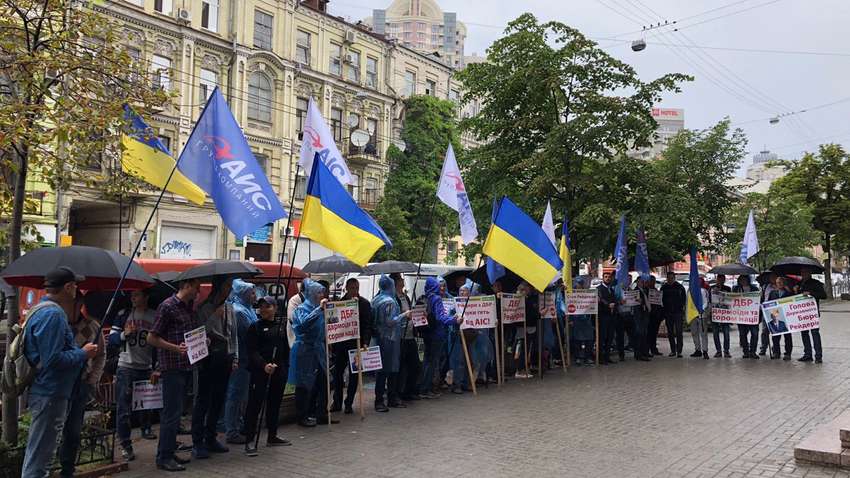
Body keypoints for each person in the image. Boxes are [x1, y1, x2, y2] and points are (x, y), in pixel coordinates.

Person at [21, 267, 97, 478]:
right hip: (51, 393)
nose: (76, 289)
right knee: (41, 458)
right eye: (75, 285)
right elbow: (52, 360)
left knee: (38, 453)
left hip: (48, 391)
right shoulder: (53, 314)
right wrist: (83, 353)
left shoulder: (40, 309)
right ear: (68, 287)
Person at [147, 277, 203, 472]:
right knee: (171, 413)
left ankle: (169, 451)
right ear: (186, 286)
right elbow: (152, 337)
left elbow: (190, 334)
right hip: (172, 367)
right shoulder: (168, 306)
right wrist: (174, 348)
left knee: (177, 413)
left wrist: (202, 342)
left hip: (187, 366)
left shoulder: (189, 308)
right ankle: (164, 457)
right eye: (196, 288)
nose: (198, 293)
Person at [59, 292, 106, 478]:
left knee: (73, 432)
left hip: (80, 385)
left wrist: (92, 380)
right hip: (58, 385)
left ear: (79, 304)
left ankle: (67, 469)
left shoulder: (93, 327)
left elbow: (101, 355)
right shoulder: (57, 325)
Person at [192, 277, 238, 458]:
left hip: (225, 358)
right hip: (208, 358)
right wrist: (214, 317)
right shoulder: (204, 308)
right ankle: (198, 441)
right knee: (203, 400)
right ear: (218, 287)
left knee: (219, 399)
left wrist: (235, 356)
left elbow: (233, 335)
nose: (229, 290)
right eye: (227, 286)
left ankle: (211, 437)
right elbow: (199, 332)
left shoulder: (230, 308)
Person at [110, 288, 158, 462]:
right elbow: (112, 340)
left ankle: (146, 428)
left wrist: (156, 366)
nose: (133, 298)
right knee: (124, 408)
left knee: (147, 404)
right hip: (126, 366)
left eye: (137, 295)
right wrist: (124, 334)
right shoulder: (123, 315)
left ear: (146, 296)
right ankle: (125, 443)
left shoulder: (154, 316)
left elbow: (158, 343)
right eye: (132, 296)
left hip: (146, 366)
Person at [243, 296, 291, 456]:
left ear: (275, 308)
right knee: (254, 406)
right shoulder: (254, 327)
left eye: (267, 306)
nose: (263, 309)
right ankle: (249, 439)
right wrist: (264, 365)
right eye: (261, 307)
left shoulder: (281, 327)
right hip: (260, 372)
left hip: (278, 371)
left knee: (274, 404)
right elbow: (252, 351)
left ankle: (272, 435)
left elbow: (285, 350)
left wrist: (282, 366)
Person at [289, 279, 336, 427]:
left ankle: (321, 413)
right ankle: (302, 416)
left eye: (322, 292)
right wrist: (319, 311)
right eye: (319, 292)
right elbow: (301, 326)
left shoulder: (322, 308)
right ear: (311, 293)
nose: (322, 294)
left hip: (319, 349)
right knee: (303, 385)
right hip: (305, 350)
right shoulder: (301, 309)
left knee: (325, 382)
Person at [223, 279, 258, 444]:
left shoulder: (247, 309)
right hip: (240, 358)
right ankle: (231, 430)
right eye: (251, 292)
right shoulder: (239, 312)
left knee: (241, 395)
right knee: (235, 395)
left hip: (246, 359)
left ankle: (237, 424)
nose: (254, 295)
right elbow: (251, 332)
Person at [331, 278, 372, 414]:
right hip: (341, 344)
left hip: (356, 345)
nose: (355, 291)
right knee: (337, 373)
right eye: (352, 288)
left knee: (354, 375)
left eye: (357, 288)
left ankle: (349, 402)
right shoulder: (339, 303)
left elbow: (367, 325)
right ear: (347, 289)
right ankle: (337, 401)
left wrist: (365, 342)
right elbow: (333, 325)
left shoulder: (364, 304)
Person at [372, 275, 413, 409]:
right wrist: (404, 315)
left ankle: (381, 399)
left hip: (379, 338)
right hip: (390, 339)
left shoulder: (376, 299)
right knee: (390, 370)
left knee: (381, 370)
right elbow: (390, 321)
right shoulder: (389, 301)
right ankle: (388, 399)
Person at [418, 277, 459, 397]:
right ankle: (427, 389)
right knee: (432, 363)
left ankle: (422, 388)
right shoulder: (437, 299)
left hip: (427, 333)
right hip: (437, 334)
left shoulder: (424, 297)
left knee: (426, 361)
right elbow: (441, 317)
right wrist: (454, 320)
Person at [392, 272, 421, 402]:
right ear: (395, 282)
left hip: (410, 335)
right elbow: (394, 317)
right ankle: (398, 393)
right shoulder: (393, 298)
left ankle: (410, 391)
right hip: (400, 337)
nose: (402, 280)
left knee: (414, 365)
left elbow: (410, 312)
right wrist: (405, 315)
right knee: (400, 367)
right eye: (400, 279)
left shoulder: (405, 296)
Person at [796, 268, 826, 363]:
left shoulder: (816, 283)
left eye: (805, 272)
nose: (803, 274)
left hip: (812, 313)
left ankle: (818, 356)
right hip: (802, 313)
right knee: (804, 334)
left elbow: (823, 295)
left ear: (810, 273)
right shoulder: (799, 283)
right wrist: (795, 290)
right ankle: (807, 354)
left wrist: (811, 293)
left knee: (815, 333)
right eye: (802, 272)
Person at [569, 277, 595, 365]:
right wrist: (570, 319)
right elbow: (568, 308)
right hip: (576, 320)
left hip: (587, 320)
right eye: (577, 285)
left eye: (580, 284)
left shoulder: (587, 294)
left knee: (589, 339)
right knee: (577, 340)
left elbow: (592, 305)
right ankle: (578, 358)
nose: (579, 286)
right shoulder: (571, 295)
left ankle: (587, 357)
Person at [733, 275, 760, 359]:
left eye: (745, 279)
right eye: (742, 279)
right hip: (741, 316)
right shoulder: (735, 289)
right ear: (739, 280)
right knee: (742, 334)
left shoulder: (755, 288)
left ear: (748, 280)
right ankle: (746, 352)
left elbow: (758, 300)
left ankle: (753, 351)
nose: (743, 281)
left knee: (755, 334)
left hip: (752, 316)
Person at [767, 276, 793, 360]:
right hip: (775, 316)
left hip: (786, 316)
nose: (779, 284)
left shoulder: (789, 292)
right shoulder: (772, 293)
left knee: (787, 336)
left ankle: (788, 353)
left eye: (781, 282)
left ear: (784, 283)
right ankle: (776, 352)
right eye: (778, 282)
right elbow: (768, 304)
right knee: (775, 335)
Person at [661, 272, 686, 358]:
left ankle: (679, 351)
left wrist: (681, 308)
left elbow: (684, 299)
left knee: (679, 332)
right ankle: (673, 350)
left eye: (672, 278)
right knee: (670, 332)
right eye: (669, 278)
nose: (670, 279)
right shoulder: (663, 288)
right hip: (668, 313)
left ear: (674, 278)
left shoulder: (680, 287)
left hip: (678, 313)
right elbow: (660, 299)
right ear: (667, 278)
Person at [597, 271, 619, 364]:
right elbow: (600, 301)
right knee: (602, 338)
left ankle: (607, 357)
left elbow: (615, 300)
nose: (608, 278)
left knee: (610, 337)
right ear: (603, 278)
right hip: (603, 316)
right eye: (605, 277)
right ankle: (601, 358)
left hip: (612, 316)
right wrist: (608, 305)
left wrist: (615, 304)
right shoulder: (599, 289)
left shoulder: (612, 289)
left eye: (609, 277)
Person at [710, 274, 733, 358]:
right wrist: (714, 291)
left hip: (725, 314)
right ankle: (718, 351)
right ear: (717, 279)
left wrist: (723, 292)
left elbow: (730, 299)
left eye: (722, 279)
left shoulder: (728, 288)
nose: (721, 281)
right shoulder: (712, 288)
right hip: (715, 313)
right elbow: (709, 299)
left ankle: (726, 351)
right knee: (715, 333)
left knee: (726, 333)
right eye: (719, 279)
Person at [689, 277, 711, 359]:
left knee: (703, 334)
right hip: (693, 315)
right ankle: (697, 349)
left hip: (701, 315)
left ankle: (705, 350)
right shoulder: (690, 291)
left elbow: (705, 302)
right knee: (694, 332)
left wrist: (700, 309)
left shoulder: (703, 291)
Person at [632, 277, 652, 361]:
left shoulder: (645, 290)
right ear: (637, 282)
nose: (642, 283)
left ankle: (645, 352)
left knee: (644, 334)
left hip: (645, 314)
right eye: (640, 281)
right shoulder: (635, 291)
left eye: (643, 281)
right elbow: (632, 302)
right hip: (638, 315)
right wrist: (638, 301)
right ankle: (639, 354)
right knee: (640, 334)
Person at [759, 272, 778, 356]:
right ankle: (763, 347)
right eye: (771, 277)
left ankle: (775, 348)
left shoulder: (780, 286)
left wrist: (777, 289)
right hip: (765, 310)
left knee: (775, 330)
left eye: (774, 277)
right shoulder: (765, 287)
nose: (772, 279)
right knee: (764, 331)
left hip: (775, 311)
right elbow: (761, 298)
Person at [646, 275, 664, 356]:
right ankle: (647, 349)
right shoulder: (646, 291)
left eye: (654, 281)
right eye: (651, 281)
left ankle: (654, 349)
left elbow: (659, 303)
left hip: (656, 315)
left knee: (654, 333)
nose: (652, 282)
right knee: (648, 333)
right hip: (649, 315)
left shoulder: (656, 290)